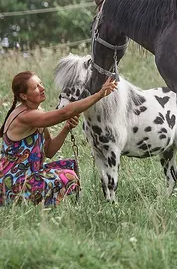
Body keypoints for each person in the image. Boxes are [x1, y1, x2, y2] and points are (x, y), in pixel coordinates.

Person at [0, 71, 117, 207]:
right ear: (23, 96)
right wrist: (99, 94)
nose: (42, 88)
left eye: (41, 83)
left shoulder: (36, 113)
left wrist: (66, 128)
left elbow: (49, 150)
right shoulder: (24, 117)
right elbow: (64, 113)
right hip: (13, 183)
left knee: (69, 166)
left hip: (29, 175)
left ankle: (42, 206)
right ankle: (38, 208)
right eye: (36, 87)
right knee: (68, 176)